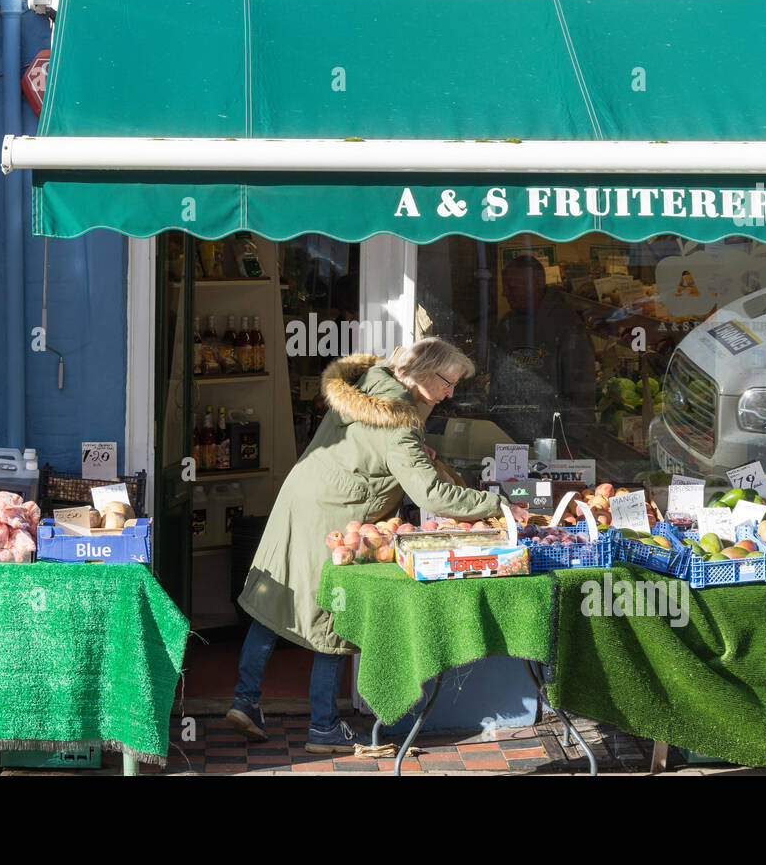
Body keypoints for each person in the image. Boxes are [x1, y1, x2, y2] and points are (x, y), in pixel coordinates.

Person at [229, 338, 529, 752]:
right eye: (448, 382)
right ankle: (323, 728)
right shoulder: (399, 421)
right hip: (337, 513)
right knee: (334, 613)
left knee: (278, 600)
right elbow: (431, 495)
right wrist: (498, 504)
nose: (450, 393)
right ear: (423, 373)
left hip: (301, 498)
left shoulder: (370, 384)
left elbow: (365, 449)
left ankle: (244, 701)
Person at [488, 256, 597, 447]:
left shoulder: (566, 326)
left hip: (551, 439)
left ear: (535, 285)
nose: (505, 293)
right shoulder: (507, 324)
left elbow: (582, 392)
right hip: (506, 436)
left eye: (512, 287)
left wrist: (570, 442)